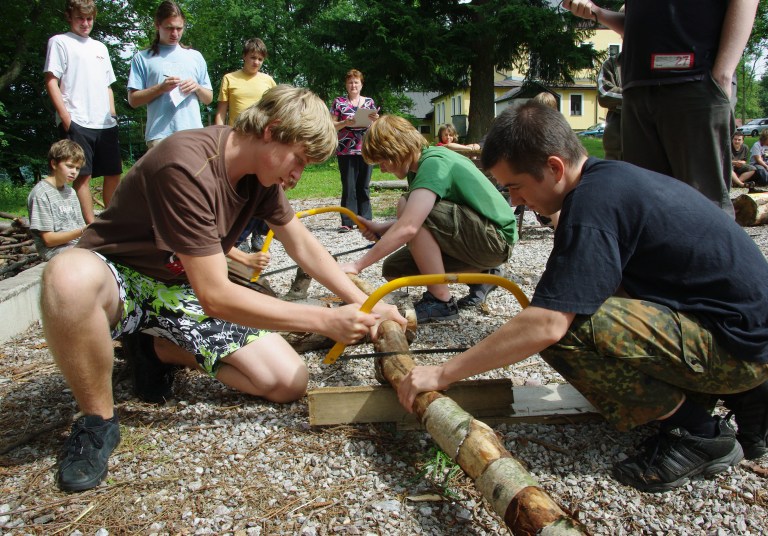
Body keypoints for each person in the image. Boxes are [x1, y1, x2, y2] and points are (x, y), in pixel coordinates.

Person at [398, 101, 768, 493]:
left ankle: (697, 433)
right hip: (751, 337)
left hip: (739, 350)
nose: (514, 200)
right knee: (578, 316)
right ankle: (753, 397)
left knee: (567, 334)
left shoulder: (592, 206)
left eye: (516, 186)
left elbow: (547, 323)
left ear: (554, 167)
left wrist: (443, 373)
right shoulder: (608, 180)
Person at [42, 85, 405, 493]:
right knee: (66, 276)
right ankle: (97, 423)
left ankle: (152, 351)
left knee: (287, 381)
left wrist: (369, 303)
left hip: (179, 288)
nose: (297, 176)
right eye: (300, 160)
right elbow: (216, 294)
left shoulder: (260, 179)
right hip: (120, 278)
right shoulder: (185, 165)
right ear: (272, 130)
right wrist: (325, 320)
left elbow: (305, 246)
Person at [562, 1, 759, 217]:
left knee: (704, 209)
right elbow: (641, 23)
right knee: (646, 208)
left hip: (694, 82)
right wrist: (597, 13)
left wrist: (724, 72)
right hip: (638, 89)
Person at [339, 115, 518, 321]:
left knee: (405, 204)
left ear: (397, 149)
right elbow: (419, 220)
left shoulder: (433, 162)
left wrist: (357, 265)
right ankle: (484, 273)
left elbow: (410, 225)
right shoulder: (418, 168)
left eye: (382, 160)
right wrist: (383, 227)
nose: (383, 168)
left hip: (496, 239)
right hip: (479, 240)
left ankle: (441, 301)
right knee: (395, 270)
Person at [44, 0, 122, 224]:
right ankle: (91, 226)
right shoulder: (59, 42)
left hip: (105, 122)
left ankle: (111, 221)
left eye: (89, 19)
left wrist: (113, 115)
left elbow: (108, 85)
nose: (85, 23)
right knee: (82, 175)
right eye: (80, 18)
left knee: (114, 172)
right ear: (70, 17)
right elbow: (51, 80)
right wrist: (66, 118)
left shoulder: (100, 47)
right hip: (77, 119)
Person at [214, 37, 278, 254]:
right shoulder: (229, 79)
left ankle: (258, 233)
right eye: (252, 57)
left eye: (260, 59)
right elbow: (221, 112)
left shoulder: (268, 81)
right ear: (244, 56)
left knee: (262, 188)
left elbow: (276, 110)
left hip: (263, 142)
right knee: (239, 190)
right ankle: (238, 235)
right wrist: (218, 135)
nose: (256, 62)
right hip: (237, 141)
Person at [127, 0, 213, 148]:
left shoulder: (195, 56)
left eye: (179, 28)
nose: (175, 33)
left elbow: (208, 99)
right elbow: (133, 100)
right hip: (159, 136)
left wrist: (197, 88)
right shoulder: (142, 58)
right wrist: (160, 88)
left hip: (194, 135)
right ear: (157, 25)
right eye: (169, 28)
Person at [330, 69, 378, 232]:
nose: (353, 85)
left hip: (366, 148)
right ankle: (347, 221)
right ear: (346, 85)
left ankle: (365, 220)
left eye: (356, 82)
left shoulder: (369, 102)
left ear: (361, 84)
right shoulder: (339, 102)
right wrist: (346, 123)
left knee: (364, 185)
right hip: (346, 150)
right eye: (350, 82)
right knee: (349, 186)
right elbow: (331, 125)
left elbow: (374, 126)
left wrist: (375, 120)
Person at [27, 140, 88, 260]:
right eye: (70, 166)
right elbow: (49, 240)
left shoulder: (71, 192)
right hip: (55, 250)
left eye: (78, 168)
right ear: (54, 164)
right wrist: (82, 231)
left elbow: (80, 226)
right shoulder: (41, 193)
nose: (74, 172)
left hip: (76, 245)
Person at [597, 52, 623, 161]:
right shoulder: (612, 63)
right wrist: (636, 94)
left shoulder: (656, 61)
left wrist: (619, 103)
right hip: (617, 147)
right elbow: (604, 95)